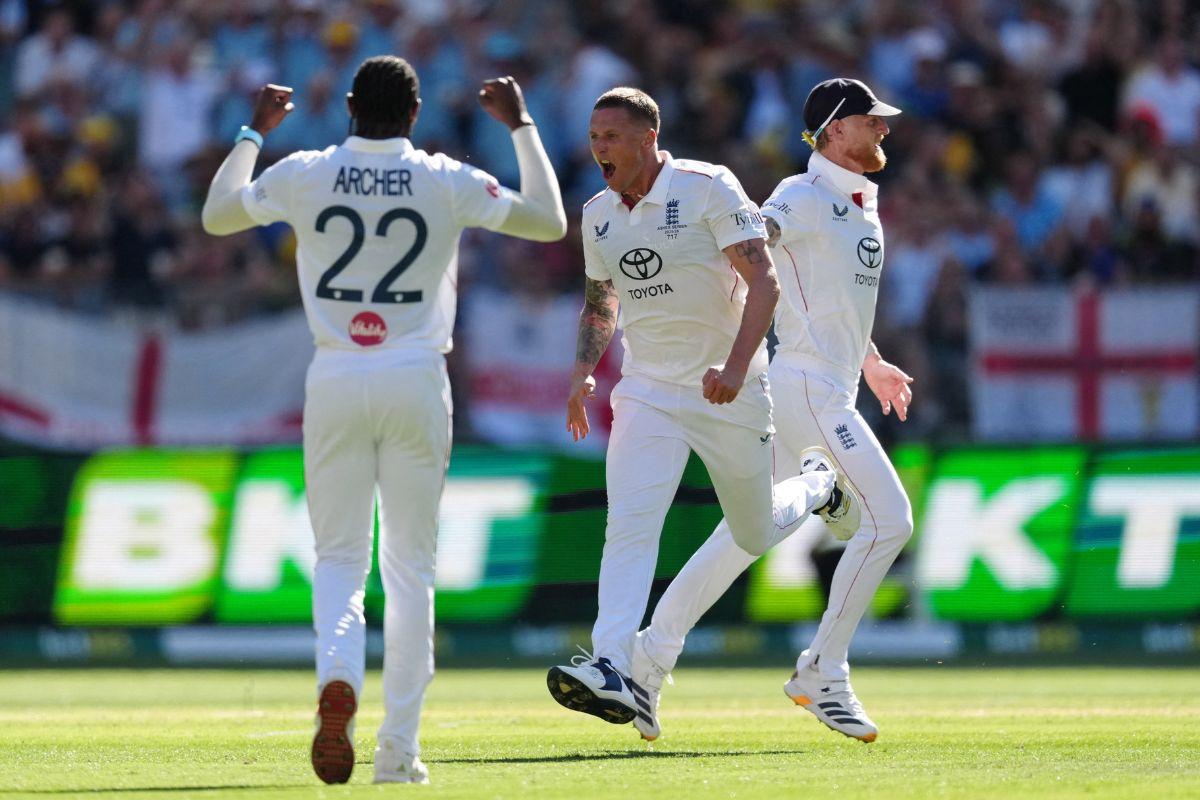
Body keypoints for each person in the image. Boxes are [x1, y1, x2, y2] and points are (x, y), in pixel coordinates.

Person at [201, 57, 566, 785]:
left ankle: (338, 676)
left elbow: (217, 216)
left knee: (338, 559)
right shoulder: (442, 175)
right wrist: (522, 126)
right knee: (411, 570)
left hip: (335, 370)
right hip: (414, 373)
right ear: (415, 111)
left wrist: (252, 132)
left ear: (346, 107)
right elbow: (551, 222)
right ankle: (397, 752)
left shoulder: (306, 169)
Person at [546, 87, 860, 729]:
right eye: (593, 135)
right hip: (647, 390)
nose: (598, 147)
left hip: (729, 388)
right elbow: (600, 303)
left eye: (611, 136)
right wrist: (582, 374)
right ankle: (613, 666)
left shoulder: (707, 187)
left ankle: (817, 484)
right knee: (630, 523)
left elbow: (765, 283)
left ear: (647, 139)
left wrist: (738, 368)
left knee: (750, 530)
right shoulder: (599, 214)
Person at [628, 78, 915, 744]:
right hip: (807, 389)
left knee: (746, 533)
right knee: (890, 520)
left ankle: (647, 659)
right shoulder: (803, 194)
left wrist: (872, 361)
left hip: (826, 386)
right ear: (836, 130)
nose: (885, 131)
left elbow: (831, 299)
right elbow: (754, 237)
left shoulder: (856, 205)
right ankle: (822, 670)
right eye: (873, 122)